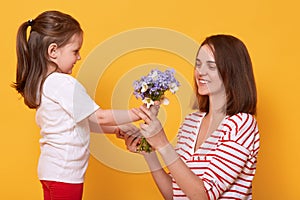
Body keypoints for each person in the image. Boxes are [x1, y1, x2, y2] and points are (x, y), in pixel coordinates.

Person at [12, 10, 141, 200]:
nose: (79, 57)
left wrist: (114, 130)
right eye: (75, 51)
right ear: (53, 51)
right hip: (65, 176)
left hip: (51, 173)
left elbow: (80, 123)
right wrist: (139, 113)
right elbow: (100, 116)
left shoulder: (45, 83)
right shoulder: (63, 83)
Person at [124, 34, 260, 199]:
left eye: (211, 66)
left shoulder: (241, 125)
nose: (200, 73)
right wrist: (149, 152)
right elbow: (174, 195)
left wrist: (162, 143)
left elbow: (202, 196)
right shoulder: (191, 122)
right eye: (198, 64)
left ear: (231, 72)